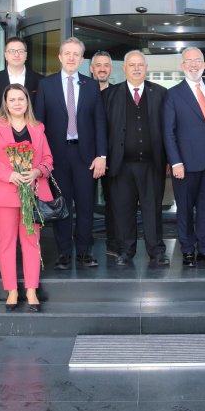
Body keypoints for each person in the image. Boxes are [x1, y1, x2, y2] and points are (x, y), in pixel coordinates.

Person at [34, 37, 107, 270]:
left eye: (76, 54)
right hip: (56, 157)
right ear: (60, 57)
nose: (72, 58)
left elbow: (100, 123)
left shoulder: (91, 85)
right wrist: (40, 159)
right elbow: (38, 125)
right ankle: (64, 252)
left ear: (82, 59)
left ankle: (85, 252)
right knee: (62, 206)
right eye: (67, 53)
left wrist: (101, 155)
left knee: (86, 206)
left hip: (86, 156)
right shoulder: (47, 85)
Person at [0, 84, 53, 311]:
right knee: (6, 243)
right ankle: (11, 290)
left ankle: (31, 289)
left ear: (27, 101)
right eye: (12, 99)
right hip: (4, 192)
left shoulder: (37, 127)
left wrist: (38, 171)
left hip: (32, 193)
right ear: (6, 103)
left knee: (32, 242)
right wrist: (9, 175)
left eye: (21, 99)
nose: (17, 103)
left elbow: (49, 159)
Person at [103, 50, 169, 266]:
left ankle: (157, 251)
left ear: (146, 67)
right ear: (124, 69)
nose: (137, 68)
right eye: (132, 65)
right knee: (124, 210)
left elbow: (169, 129)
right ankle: (126, 251)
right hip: (121, 165)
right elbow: (102, 130)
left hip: (152, 164)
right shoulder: (110, 95)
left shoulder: (160, 93)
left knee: (153, 209)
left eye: (140, 64)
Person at [163, 47, 205, 267]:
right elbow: (168, 132)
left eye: (197, 60)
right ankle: (188, 250)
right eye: (188, 61)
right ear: (182, 66)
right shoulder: (172, 94)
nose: (193, 64)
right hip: (185, 164)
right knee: (185, 208)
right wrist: (175, 161)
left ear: (204, 64)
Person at [90, 50, 117, 256]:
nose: (102, 68)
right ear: (91, 68)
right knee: (85, 202)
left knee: (113, 202)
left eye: (106, 65)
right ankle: (85, 245)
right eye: (98, 65)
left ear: (111, 69)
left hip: (114, 158)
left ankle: (113, 244)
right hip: (86, 158)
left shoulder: (118, 94)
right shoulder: (83, 91)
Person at [0, 37, 44, 121]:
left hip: (32, 130)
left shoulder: (40, 80)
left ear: (26, 55)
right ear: (6, 55)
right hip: (2, 130)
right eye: (12, 51)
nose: (16, 54)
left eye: (20, 51)